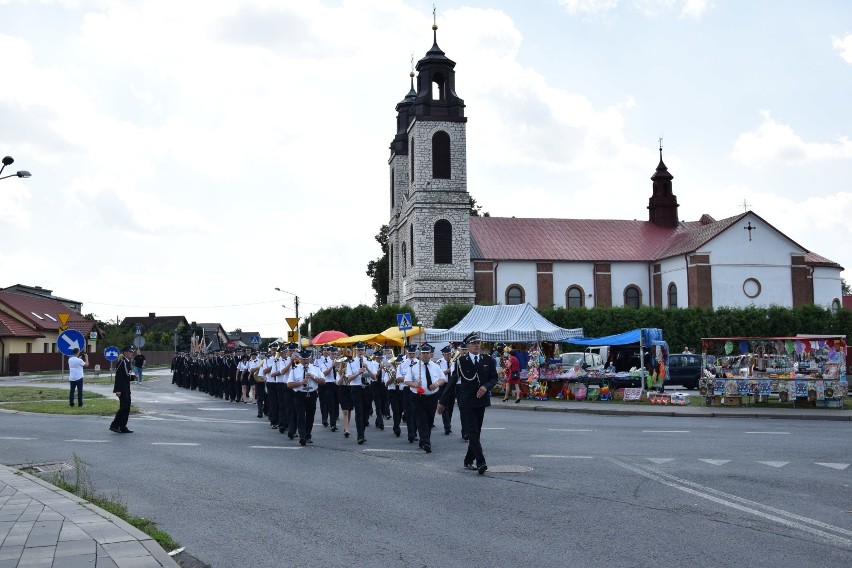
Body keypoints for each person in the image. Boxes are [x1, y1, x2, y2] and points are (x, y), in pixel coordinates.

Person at [438, 332, 498, 474]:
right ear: (468, 346)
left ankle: (468, 459)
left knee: (476, 431)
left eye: (479, 343)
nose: (477, 345)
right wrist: (442, 401)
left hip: (481, 400)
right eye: (474, 343)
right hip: (466, 401)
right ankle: (481, 461)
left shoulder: (487, 360)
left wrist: (486, 387)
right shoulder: (461, 361)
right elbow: (452, 383)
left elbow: (494, 378)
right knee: (472, 431)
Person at [404, 343, 445, 453]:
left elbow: (443, 379)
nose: (425, 355)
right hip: (418, 397)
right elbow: (406, 380)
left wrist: (436, 384)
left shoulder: (436, 367)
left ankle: (425, 440)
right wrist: (415, 385)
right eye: (423, 353)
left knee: (430, 420)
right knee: (421, 419)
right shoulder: (414, 367)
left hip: (432, 397)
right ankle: (425, 442)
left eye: (427, 353)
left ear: (431, 354)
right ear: (420, 354)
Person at [288, 349, 324, 445]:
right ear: (300, 359)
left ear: (310, 359)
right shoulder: (294, 369)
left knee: (310, 416)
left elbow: (323, 381)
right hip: (300, 395)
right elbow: (289, 384)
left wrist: (313, 377)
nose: (305, 361)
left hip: (312, 394)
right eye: (303, 359)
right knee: (300, 416)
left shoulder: (315, 368)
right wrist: (301, 383)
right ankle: (302, 436)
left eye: (307, 359)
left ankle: (308, 435)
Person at [345, 341, 374, 444]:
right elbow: (348, 379)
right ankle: (360, 436)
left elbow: (375, 377)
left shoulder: (370, 361)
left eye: (362, 350)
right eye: (359, 350)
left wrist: (368, 370)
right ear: (355, 351)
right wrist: (357, 373)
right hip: (356, 388)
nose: (360, 352)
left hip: (367, 388)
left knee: (366, 412)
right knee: (359, 412)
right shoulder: (351, 362)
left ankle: (362, 432)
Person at [110, 347, 135, 433]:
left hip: (126, 388)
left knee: (127, 408)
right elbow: (118, 376)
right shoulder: (122, 362)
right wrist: (117, 390)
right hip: (122, 389)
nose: (131, 353)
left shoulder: (127, 362)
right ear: (125, 353)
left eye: (132, 352)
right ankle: (115, 425)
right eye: (130, 352)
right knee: (123, 407)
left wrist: (133, 378)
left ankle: (123, 426)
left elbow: (127, 376)